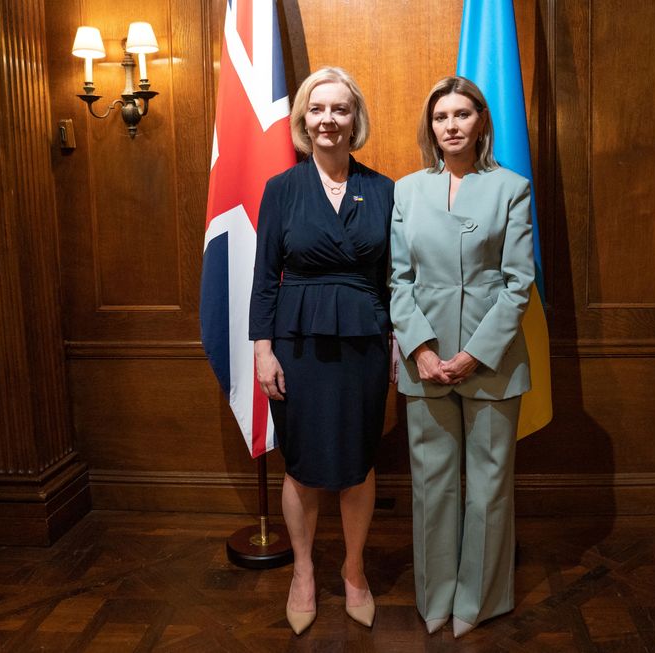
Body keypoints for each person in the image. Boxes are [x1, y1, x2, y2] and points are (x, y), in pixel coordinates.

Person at [249, 67, 394, 635]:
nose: (328, 119)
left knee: (358, 462)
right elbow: (265, 279)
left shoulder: (384, 189)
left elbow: (394, 277)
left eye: (340, 109)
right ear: (303, 120)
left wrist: (399, 336)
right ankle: (304, 573)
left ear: (355, 119)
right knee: (303, 465)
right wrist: (264, 350)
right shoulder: (281, 189)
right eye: (317, 109)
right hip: (297, 342)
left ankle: (354, 571)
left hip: (364, 339)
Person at [389, 76, 535, 638]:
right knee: (431, 487)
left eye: (461, 115)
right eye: (440, 116)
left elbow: (519, 283)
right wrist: (421, 349)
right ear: (431, 126)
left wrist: (473, 354)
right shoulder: (407, 191)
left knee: (491, 485)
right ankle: (436, 600)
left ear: (481, 123)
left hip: (492, 361)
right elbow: (398, 280)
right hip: (422, 364)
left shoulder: (511, 188)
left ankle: (479, 599)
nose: (450, 125)